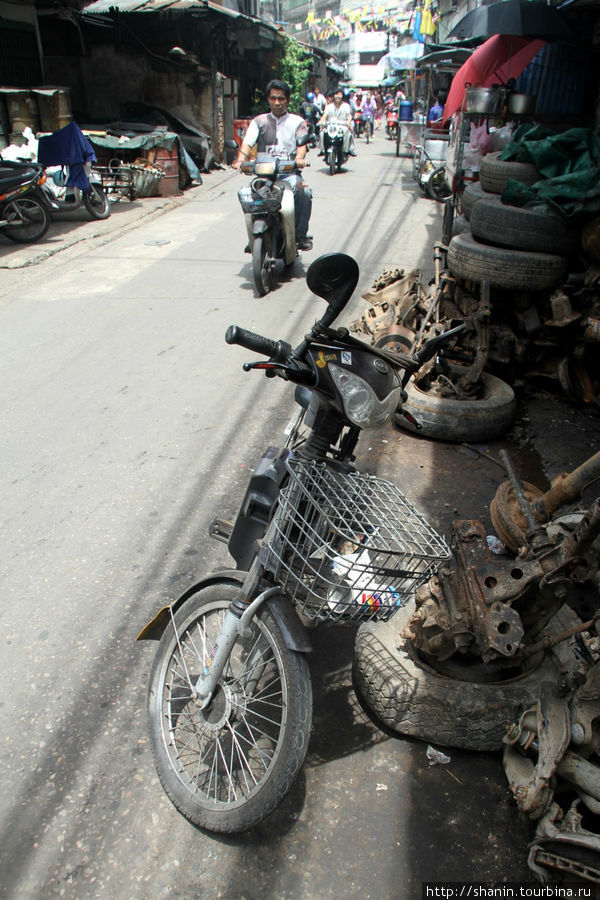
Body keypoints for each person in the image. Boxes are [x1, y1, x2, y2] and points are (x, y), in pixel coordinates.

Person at [232, 79, 313, 251]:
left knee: (303, 192)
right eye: (273, 98)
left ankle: (300, 236)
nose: (277, 103)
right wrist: (240, 160)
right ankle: (254, 237)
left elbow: (302, 145)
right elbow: (247, 143)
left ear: (288, 100)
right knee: (249, 196)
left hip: (289, 173)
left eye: (281, 99)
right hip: (263, 174)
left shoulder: (297, 122)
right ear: (268, 99)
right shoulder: (259, 121)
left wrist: (299, 158)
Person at [318, 87, 357, 156]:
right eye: (336, 94)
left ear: (342, 96)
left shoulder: (346, 106)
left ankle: (346, 150)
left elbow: (349, 116)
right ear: (333, 96)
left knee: (346, 132)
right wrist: (320, 122)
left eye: (340, 94)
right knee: (322, 132)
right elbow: (324, 116)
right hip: (330, 126)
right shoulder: (329, 106)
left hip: (342, 125)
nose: (338, 96)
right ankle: (323, 150)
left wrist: (348, 121)